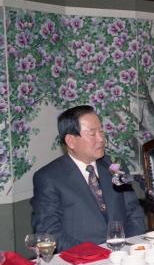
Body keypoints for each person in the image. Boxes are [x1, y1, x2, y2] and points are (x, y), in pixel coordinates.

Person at [31, 105, 145, 252]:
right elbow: (49, 233)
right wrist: (95, 254)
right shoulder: (49, 178)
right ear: (71, 141)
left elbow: (134, 213)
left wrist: (129, 246)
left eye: (101, 132)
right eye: (92, 134)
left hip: (125, 253)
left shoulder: (114, 166)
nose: (101, 139)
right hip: (82, 262)